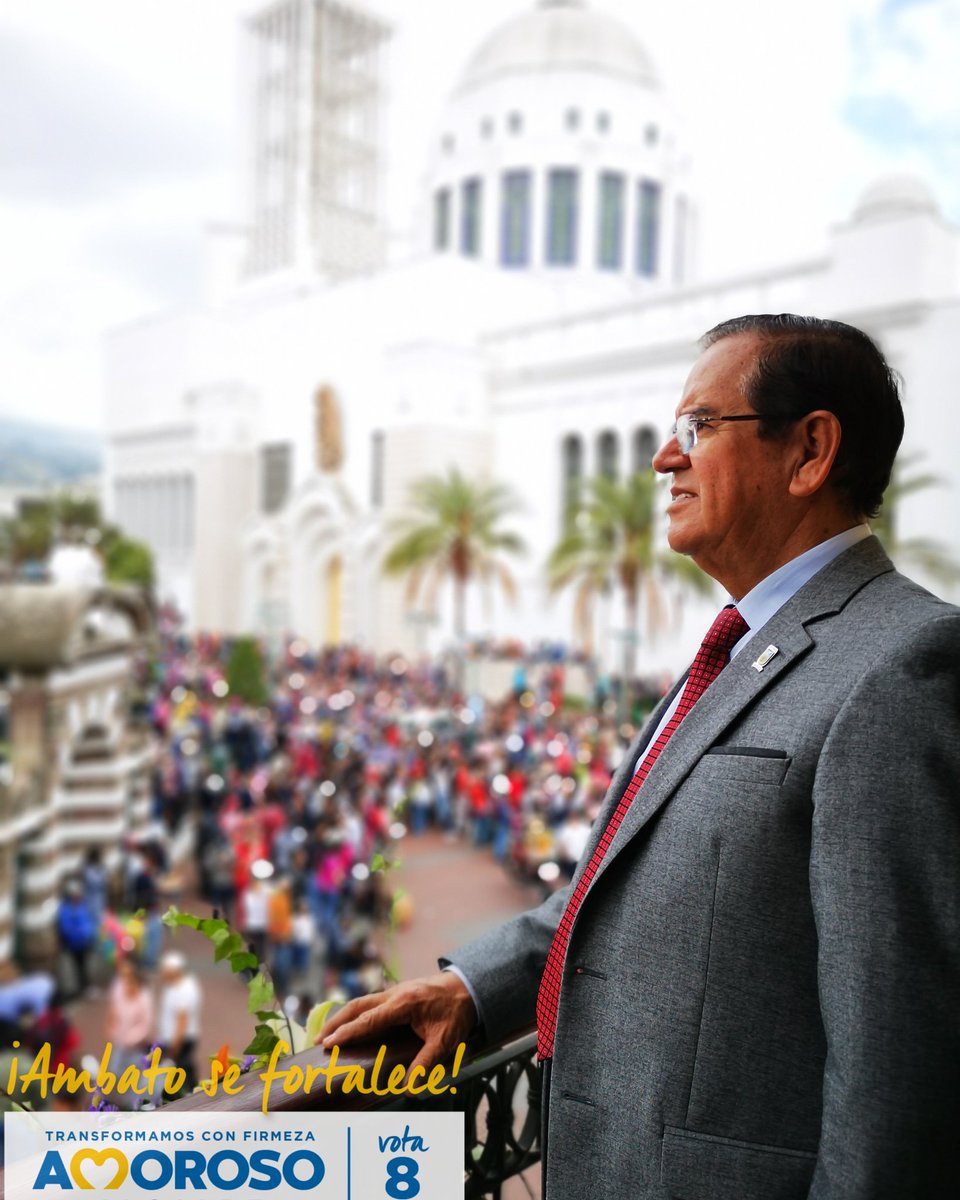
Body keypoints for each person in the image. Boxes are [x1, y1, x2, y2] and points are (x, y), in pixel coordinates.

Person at [321, 314, 960, 1199]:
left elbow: (895, 1064)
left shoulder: (902, 665)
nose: (665, 458)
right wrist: (473, 987)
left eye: (700, 427)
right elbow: (618, 894)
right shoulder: (737, 649)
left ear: (810, 451)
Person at [156, 951, 201, 1094]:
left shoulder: (184, 989)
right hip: (177, 1038)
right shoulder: (175, 986)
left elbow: (182, 1020)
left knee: (182, 1072)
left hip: (181, 1039)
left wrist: (174, 1046)